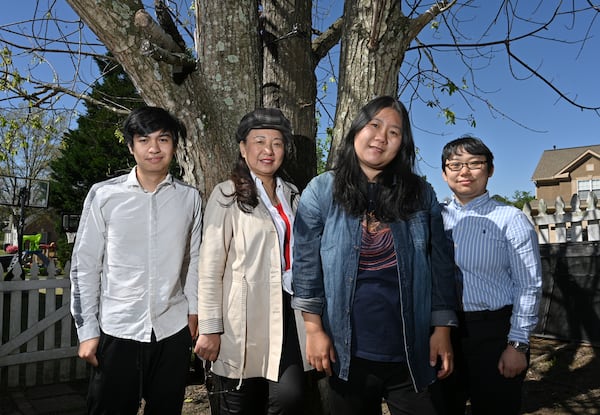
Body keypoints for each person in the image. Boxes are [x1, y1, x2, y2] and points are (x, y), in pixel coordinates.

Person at [291, 95, 458, 415]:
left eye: (394, 132)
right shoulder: (322, 191)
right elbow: (306, 266)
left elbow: (440, 265)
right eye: (374, 125)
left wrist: (442, 329)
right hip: (346, 351)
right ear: (356, 130)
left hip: (411, 351)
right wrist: (313, 330)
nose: (382, 136)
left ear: (402, 145)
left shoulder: (420, 193)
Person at [70, 106, 202, 414]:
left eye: (163, 139)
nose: (154, 148)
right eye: (144, 140)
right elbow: (85, 265)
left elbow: (193, 259)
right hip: (118, 330)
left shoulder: (189, 198)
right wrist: (87, 331)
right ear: (131, 146)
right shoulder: (104, 196)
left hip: (172, 330)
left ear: (175, 145)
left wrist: (194, 310)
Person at [194, 108, 310, 415]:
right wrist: (209, 327)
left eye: (277, 142)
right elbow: (209, 268)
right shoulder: (226, 195)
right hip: (241, 316)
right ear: (243, 148)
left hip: (288, 312)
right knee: (239, 402)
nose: (268, 150)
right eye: (259, 141)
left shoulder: (293, 195)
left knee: (289, 398)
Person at [433, 136, 542, 415]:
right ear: (444, 174)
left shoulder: (511, 218)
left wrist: (517, 344)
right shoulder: (434, 219)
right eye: (455, 165)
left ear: (490, 170)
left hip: (494, 333)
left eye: (474, 163)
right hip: (442, 331)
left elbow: (528, 285)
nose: (464, 172)